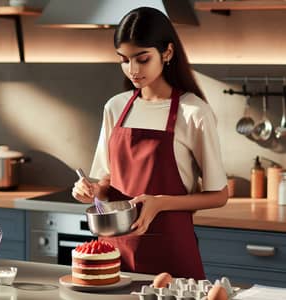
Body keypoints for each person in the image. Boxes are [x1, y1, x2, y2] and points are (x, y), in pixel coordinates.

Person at [72, 6, 228, 280]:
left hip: (171, 255)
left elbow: (219, 195)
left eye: (142, 59)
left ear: (167, 53)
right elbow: (108, 182)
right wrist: (92, 190)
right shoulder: (116, 107)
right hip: (116, 253)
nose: (132, 70)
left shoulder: (193, 112)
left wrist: (159, 203)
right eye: (124, 59)